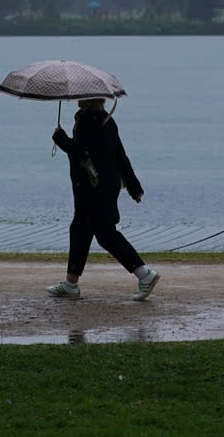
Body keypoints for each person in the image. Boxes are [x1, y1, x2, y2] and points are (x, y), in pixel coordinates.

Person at [47, 97, 159, 301]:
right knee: (87, 230)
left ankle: (144, 274)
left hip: (93, 188)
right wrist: (133, 186)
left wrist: (61, 140)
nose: (77, 98)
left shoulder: (88, 120)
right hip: (105, 186)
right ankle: (71, 283)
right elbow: (120, 154)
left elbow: (83, 153)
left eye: (81, 96)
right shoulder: (107, 120)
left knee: (100, 232)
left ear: (88, 99)